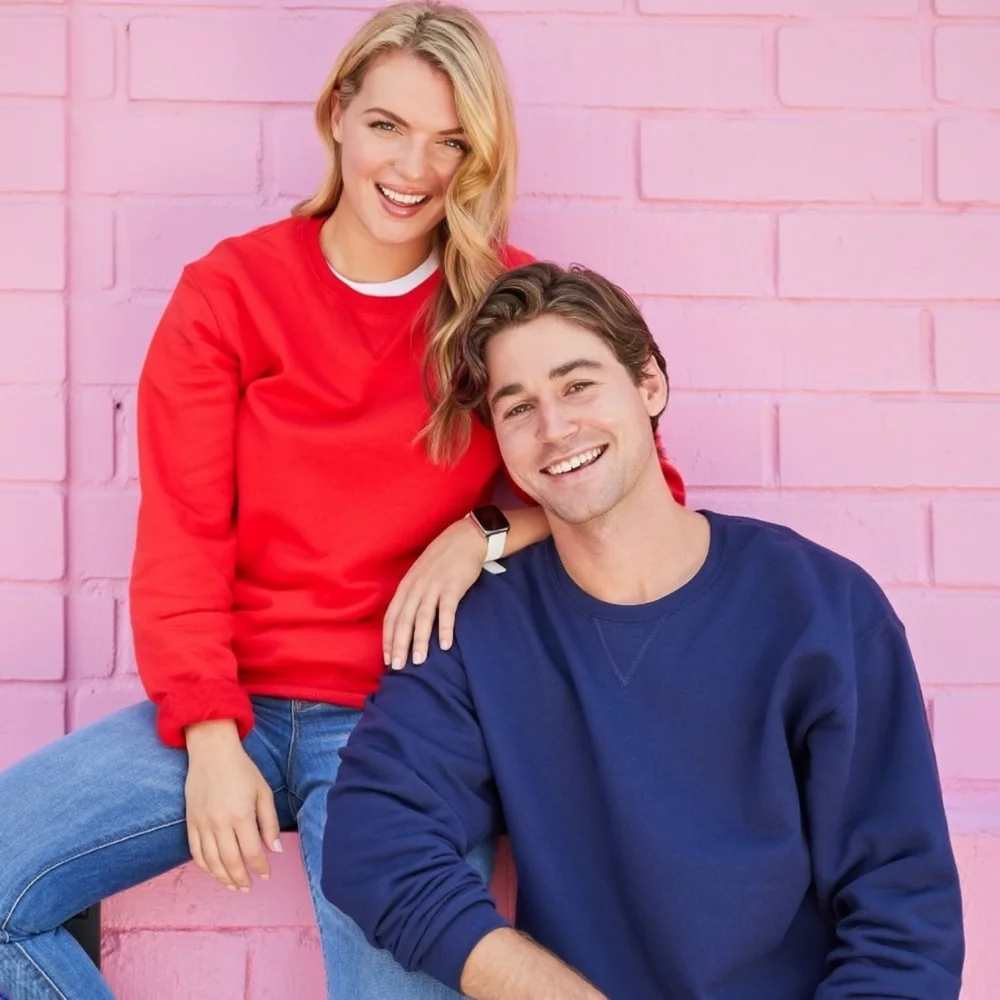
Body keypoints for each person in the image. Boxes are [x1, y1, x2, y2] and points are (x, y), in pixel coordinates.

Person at [0, 6, 686, 998]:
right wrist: (206, 734)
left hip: (397, 715)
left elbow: (642, 486)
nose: (414, 166)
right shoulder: (231, 290)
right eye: (387, 126)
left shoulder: (505, 301)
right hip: (220, 701)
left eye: (450, 141)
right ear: (336, 117)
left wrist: (486, 529)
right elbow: (184, 531)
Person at [322, 262, 965, 1000]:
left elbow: (902, 912)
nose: (555, 428)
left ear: (650, 385)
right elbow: (375, 839)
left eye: (578, 385)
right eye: (518, 407)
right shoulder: (479, 630)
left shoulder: (820, 608)